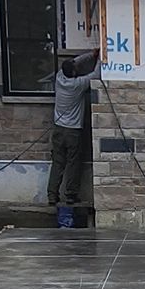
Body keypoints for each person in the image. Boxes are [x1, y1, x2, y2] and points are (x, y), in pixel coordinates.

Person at [48, 47, 101, 227]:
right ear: (75, 73)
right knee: (72, 163)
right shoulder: (77, 85)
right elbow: (96, 73)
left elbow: (74, 63)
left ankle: (52, 194)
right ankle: (70, 195)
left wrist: (90, 54)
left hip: (58, 129)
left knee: (58, 162)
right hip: (73, 131)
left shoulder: (59, 78)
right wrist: (101, 57)